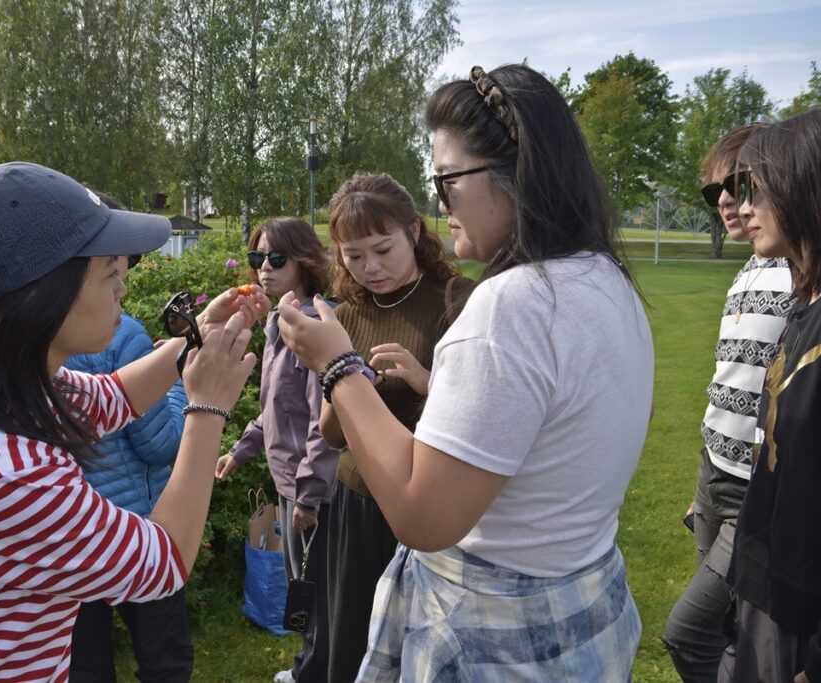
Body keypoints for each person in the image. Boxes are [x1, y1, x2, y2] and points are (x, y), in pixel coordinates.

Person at [277, 64, 653, 681]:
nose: (439, 201)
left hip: (497, 639)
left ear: (516, 178)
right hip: (583, 609)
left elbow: (426, 518)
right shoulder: (605, 279)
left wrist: (336, 364)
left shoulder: (512, 304)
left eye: (446, 180)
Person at [0, 161, 267, 680]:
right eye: (110, 274)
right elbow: (164, 562)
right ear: (44, 294)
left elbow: (114, 396)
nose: (123, 290)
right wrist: (208, 407)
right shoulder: (5, 472)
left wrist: (195, 336)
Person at [304, 172, 469, 683]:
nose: (370, 268)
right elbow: (331, 435)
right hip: (355, 505)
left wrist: (425, 383)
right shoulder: (346, 314)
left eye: (382, 248)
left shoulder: (456, 301)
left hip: (425, 503)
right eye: (353, 256)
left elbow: (474, 418)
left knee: (417, 649)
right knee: (350, 638)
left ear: (415, 232)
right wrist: (346, 384)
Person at [662, 125, 793, 683]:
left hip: (756, 490)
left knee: (690, 632)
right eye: (712, 190)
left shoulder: (801, 270)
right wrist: (706, 479)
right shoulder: (749, 268)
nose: (724, 201)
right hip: (711, 477)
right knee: (728, 632)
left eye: (738, 184)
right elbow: (732, 382)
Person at [64, 193, 192, 683]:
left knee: (87, 663)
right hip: (137, 526)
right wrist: (182, 388)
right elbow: (159, 443)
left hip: (74, 536)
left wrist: (169, 359)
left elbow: (104, 401)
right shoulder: (126, 334)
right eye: (114, 270)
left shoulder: (39, 361)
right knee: (165, 660)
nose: (122, 285)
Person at [719, 107, 821, 683]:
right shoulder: (800, 308)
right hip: (764, 585)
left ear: (807, 189)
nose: (743, 207)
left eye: (760, 190)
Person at [215, 217, 340, 683]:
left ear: (304, 262)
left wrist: (308, 495)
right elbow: (274, 409)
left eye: (276, 258)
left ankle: (315, 670)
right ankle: (312, 664)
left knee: (314, 589)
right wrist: (241, 451)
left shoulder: (310, 327)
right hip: (290, 482)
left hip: (312, 490)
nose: (263, 269)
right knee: (302, 587)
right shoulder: (278, 322)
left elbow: (323, 422)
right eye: (256, 258)